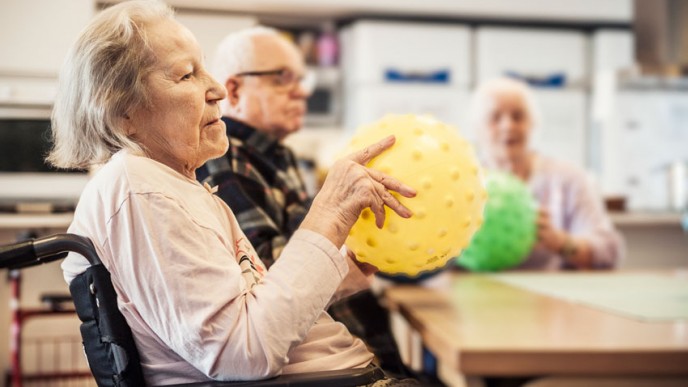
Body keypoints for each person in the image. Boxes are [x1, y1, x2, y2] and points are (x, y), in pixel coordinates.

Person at [48, 1, 418, 385]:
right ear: (122, 107)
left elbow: (253, 316)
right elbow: (240, 354)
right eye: (187, 75)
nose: (218, 89)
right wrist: (329, 215)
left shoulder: (173, 187)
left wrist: (339, 270)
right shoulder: (141, 190)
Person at [196, 27, 412, 378]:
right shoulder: (226, 161)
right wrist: (348, 263)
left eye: (301, 79)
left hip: (353, 351)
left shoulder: (279, 156)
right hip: (326, 370)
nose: (301, 92)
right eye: (282, 78)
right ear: (234, 90)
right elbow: (267, 279)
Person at [469, 77, 624, 270]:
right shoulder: (463, 181)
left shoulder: (569, 177)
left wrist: (561, 242)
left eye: (518, 116)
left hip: (549, 294)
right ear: (476, 128)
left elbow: (609, 252)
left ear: (534, 124)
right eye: (495, 117)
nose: (508, 125)